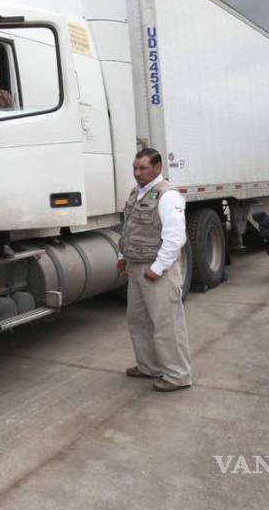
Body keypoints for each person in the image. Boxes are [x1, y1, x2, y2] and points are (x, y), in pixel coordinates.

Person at [115, 148, 192, 392]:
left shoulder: (167, 196)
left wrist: (157, 268)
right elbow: (129, 228)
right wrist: (122, 256)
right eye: (135, 168)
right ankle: (149, 366)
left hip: (157, 270)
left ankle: (178, 375)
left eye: (143, 168)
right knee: (137, 320)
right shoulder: (136, 194)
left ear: (157, 168)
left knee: (166, 323)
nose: (137, 173)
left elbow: (175, 238)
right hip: (136, 267)